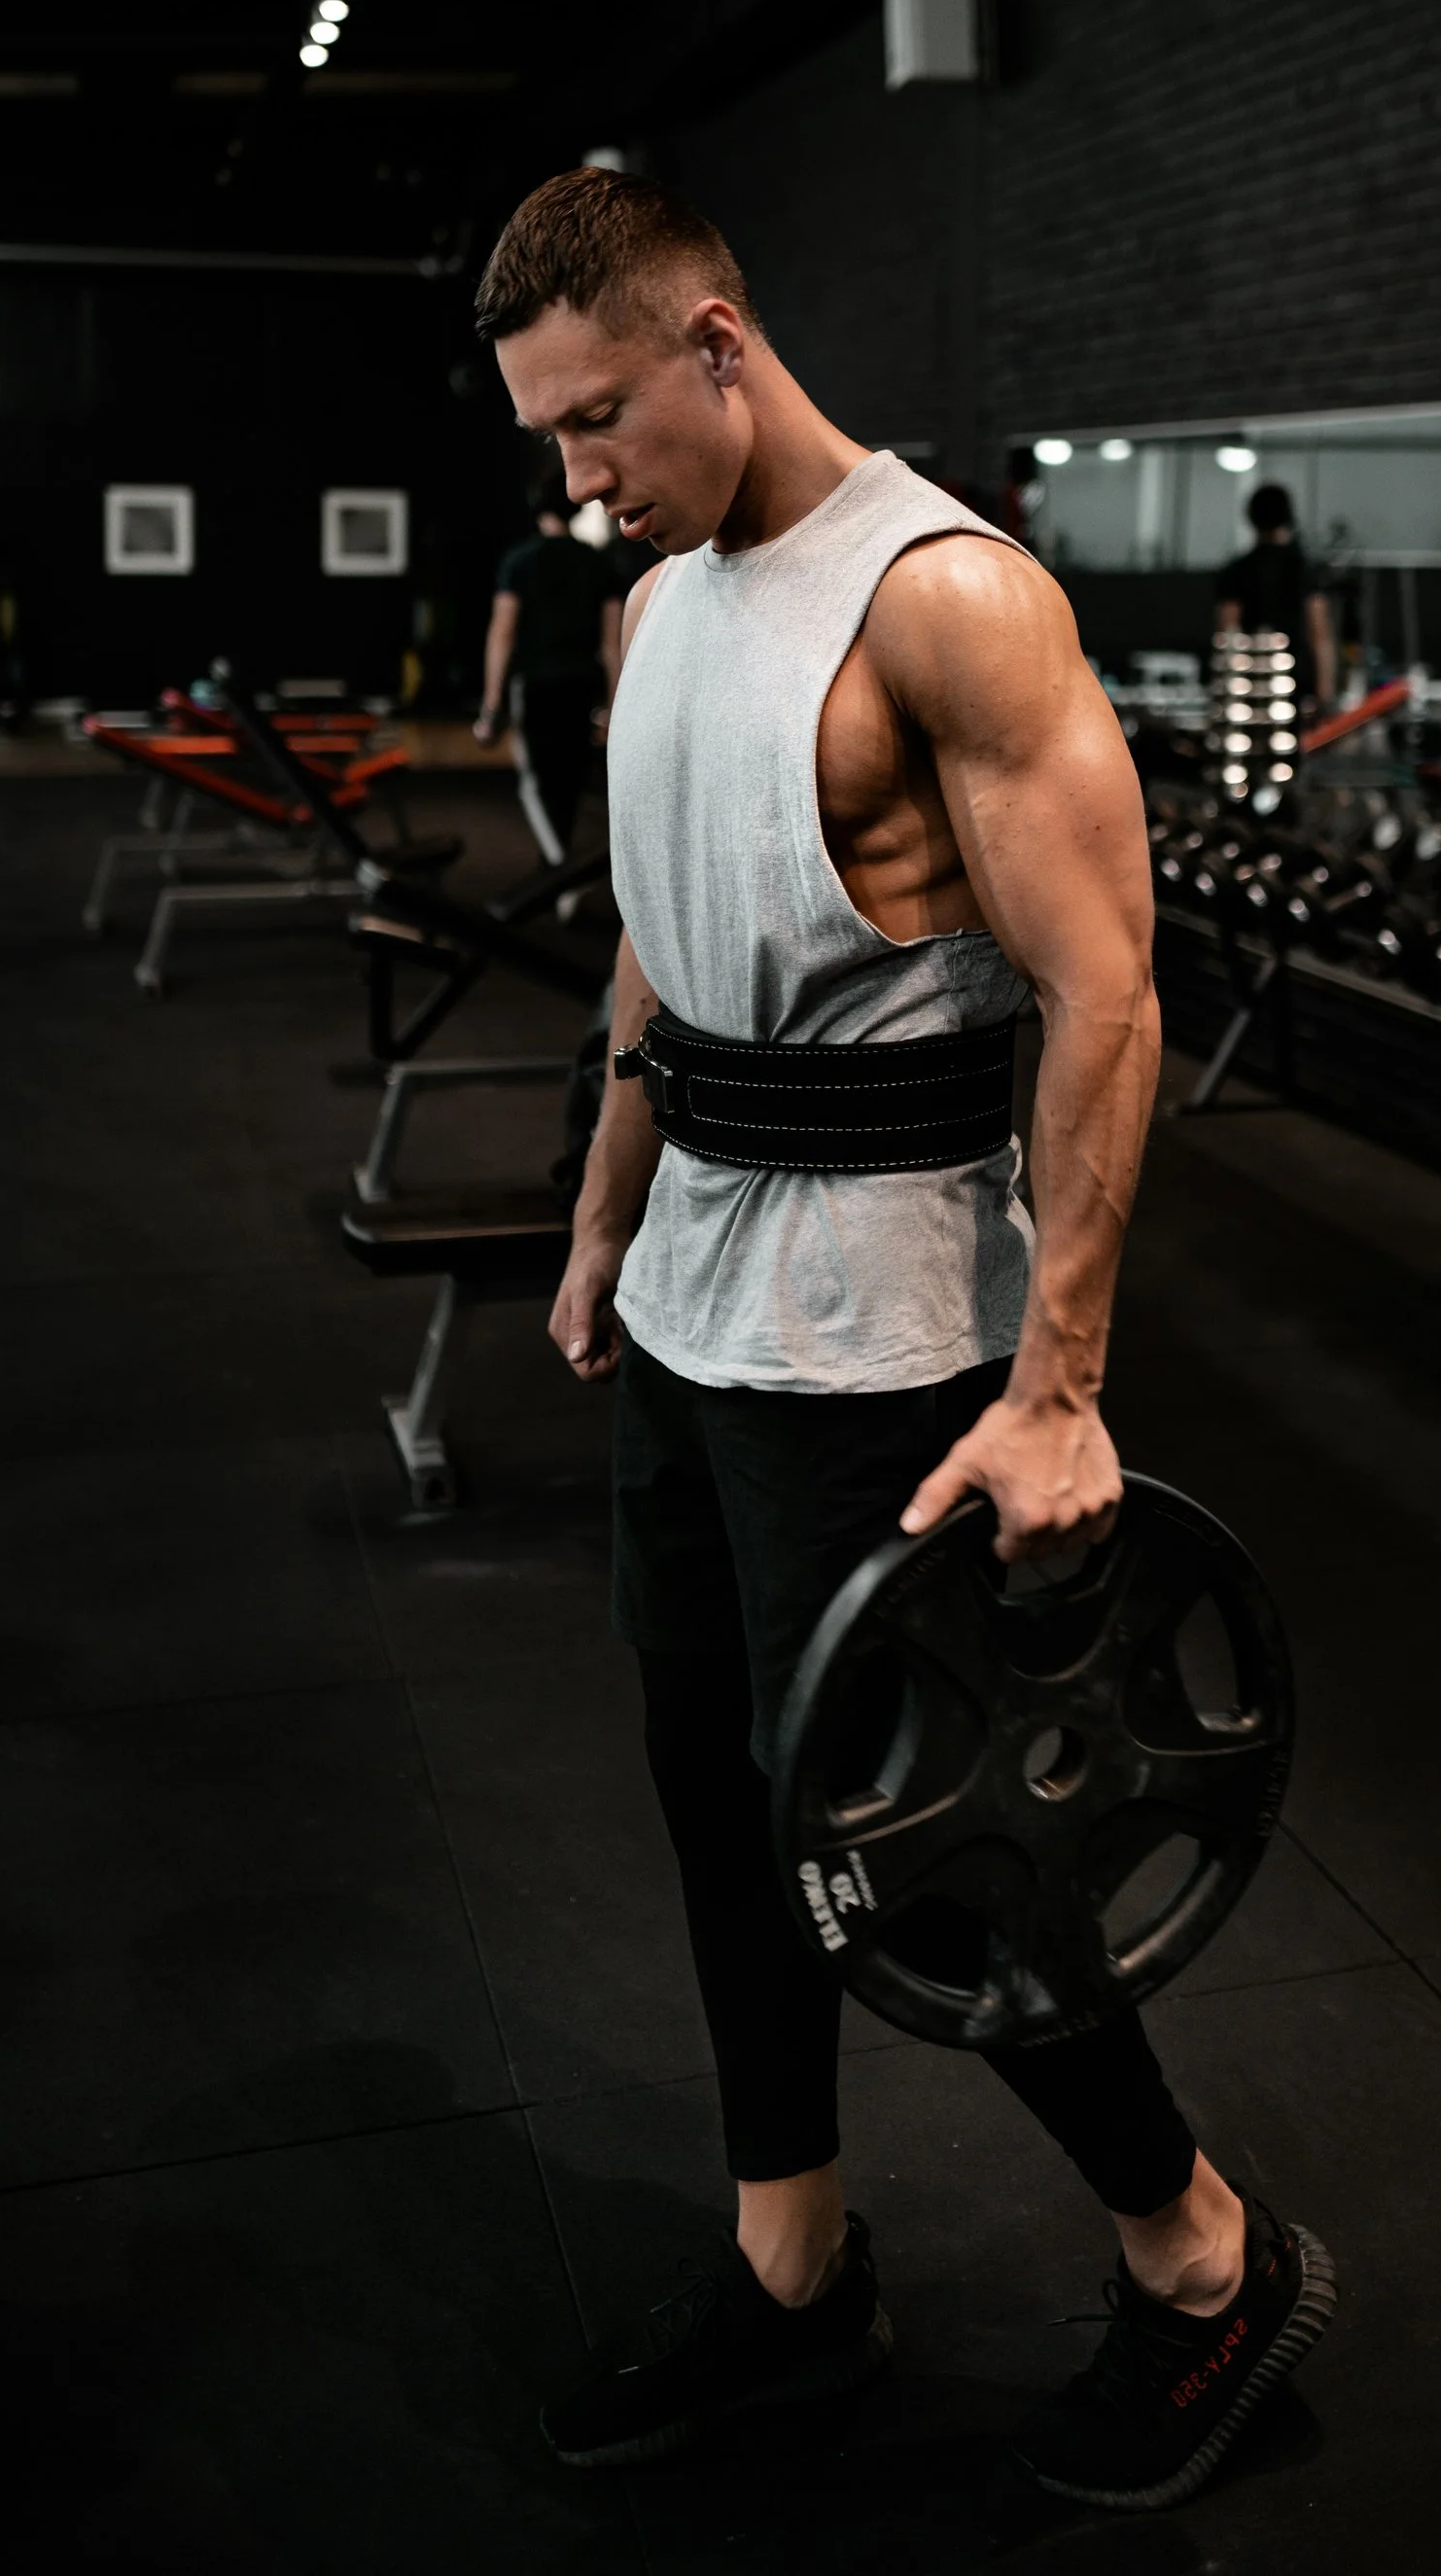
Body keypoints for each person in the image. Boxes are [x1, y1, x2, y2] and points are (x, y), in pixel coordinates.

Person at [474, 167, 1334, 2514]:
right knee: (714, 1793)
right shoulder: (656, 615)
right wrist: (595, 1225)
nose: (577, 476)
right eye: (546, 437)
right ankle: (791, 2274)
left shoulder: (946, 600)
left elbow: (1107, 993)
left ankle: (1200, 2255)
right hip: (690, 1312)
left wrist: (1055, 1383)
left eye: (599, 418)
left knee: (922, 1847)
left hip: (886, 1336)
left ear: (719, 339)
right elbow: (660, 948)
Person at [474, 476, 621, 867]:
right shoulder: (599, 564)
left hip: (536, 688)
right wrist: (613, 707)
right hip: (582, 687)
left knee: (537, 784)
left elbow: (501, 635)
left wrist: (491, 709)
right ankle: (561, 873)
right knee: (568, 784)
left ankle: (559, 873)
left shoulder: (519, 561)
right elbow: (611, 647)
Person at [1213, 481, 1337, 710]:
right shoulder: (1306, 568)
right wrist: (1325, 692)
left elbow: (1227, 632)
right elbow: (1319, 632)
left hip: (1250, 688)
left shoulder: (1238, 570)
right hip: (1297, 685)